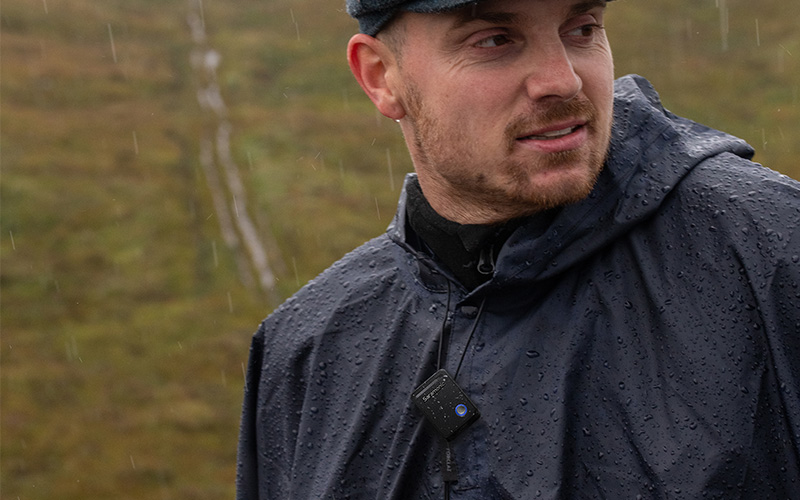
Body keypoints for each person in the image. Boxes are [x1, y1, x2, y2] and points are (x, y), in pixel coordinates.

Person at [236, 0, 800, 497]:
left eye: (581, 28)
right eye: (495, 40)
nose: (562, 80)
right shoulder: (304, 352)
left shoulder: (775, 250)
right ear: (382, 76)